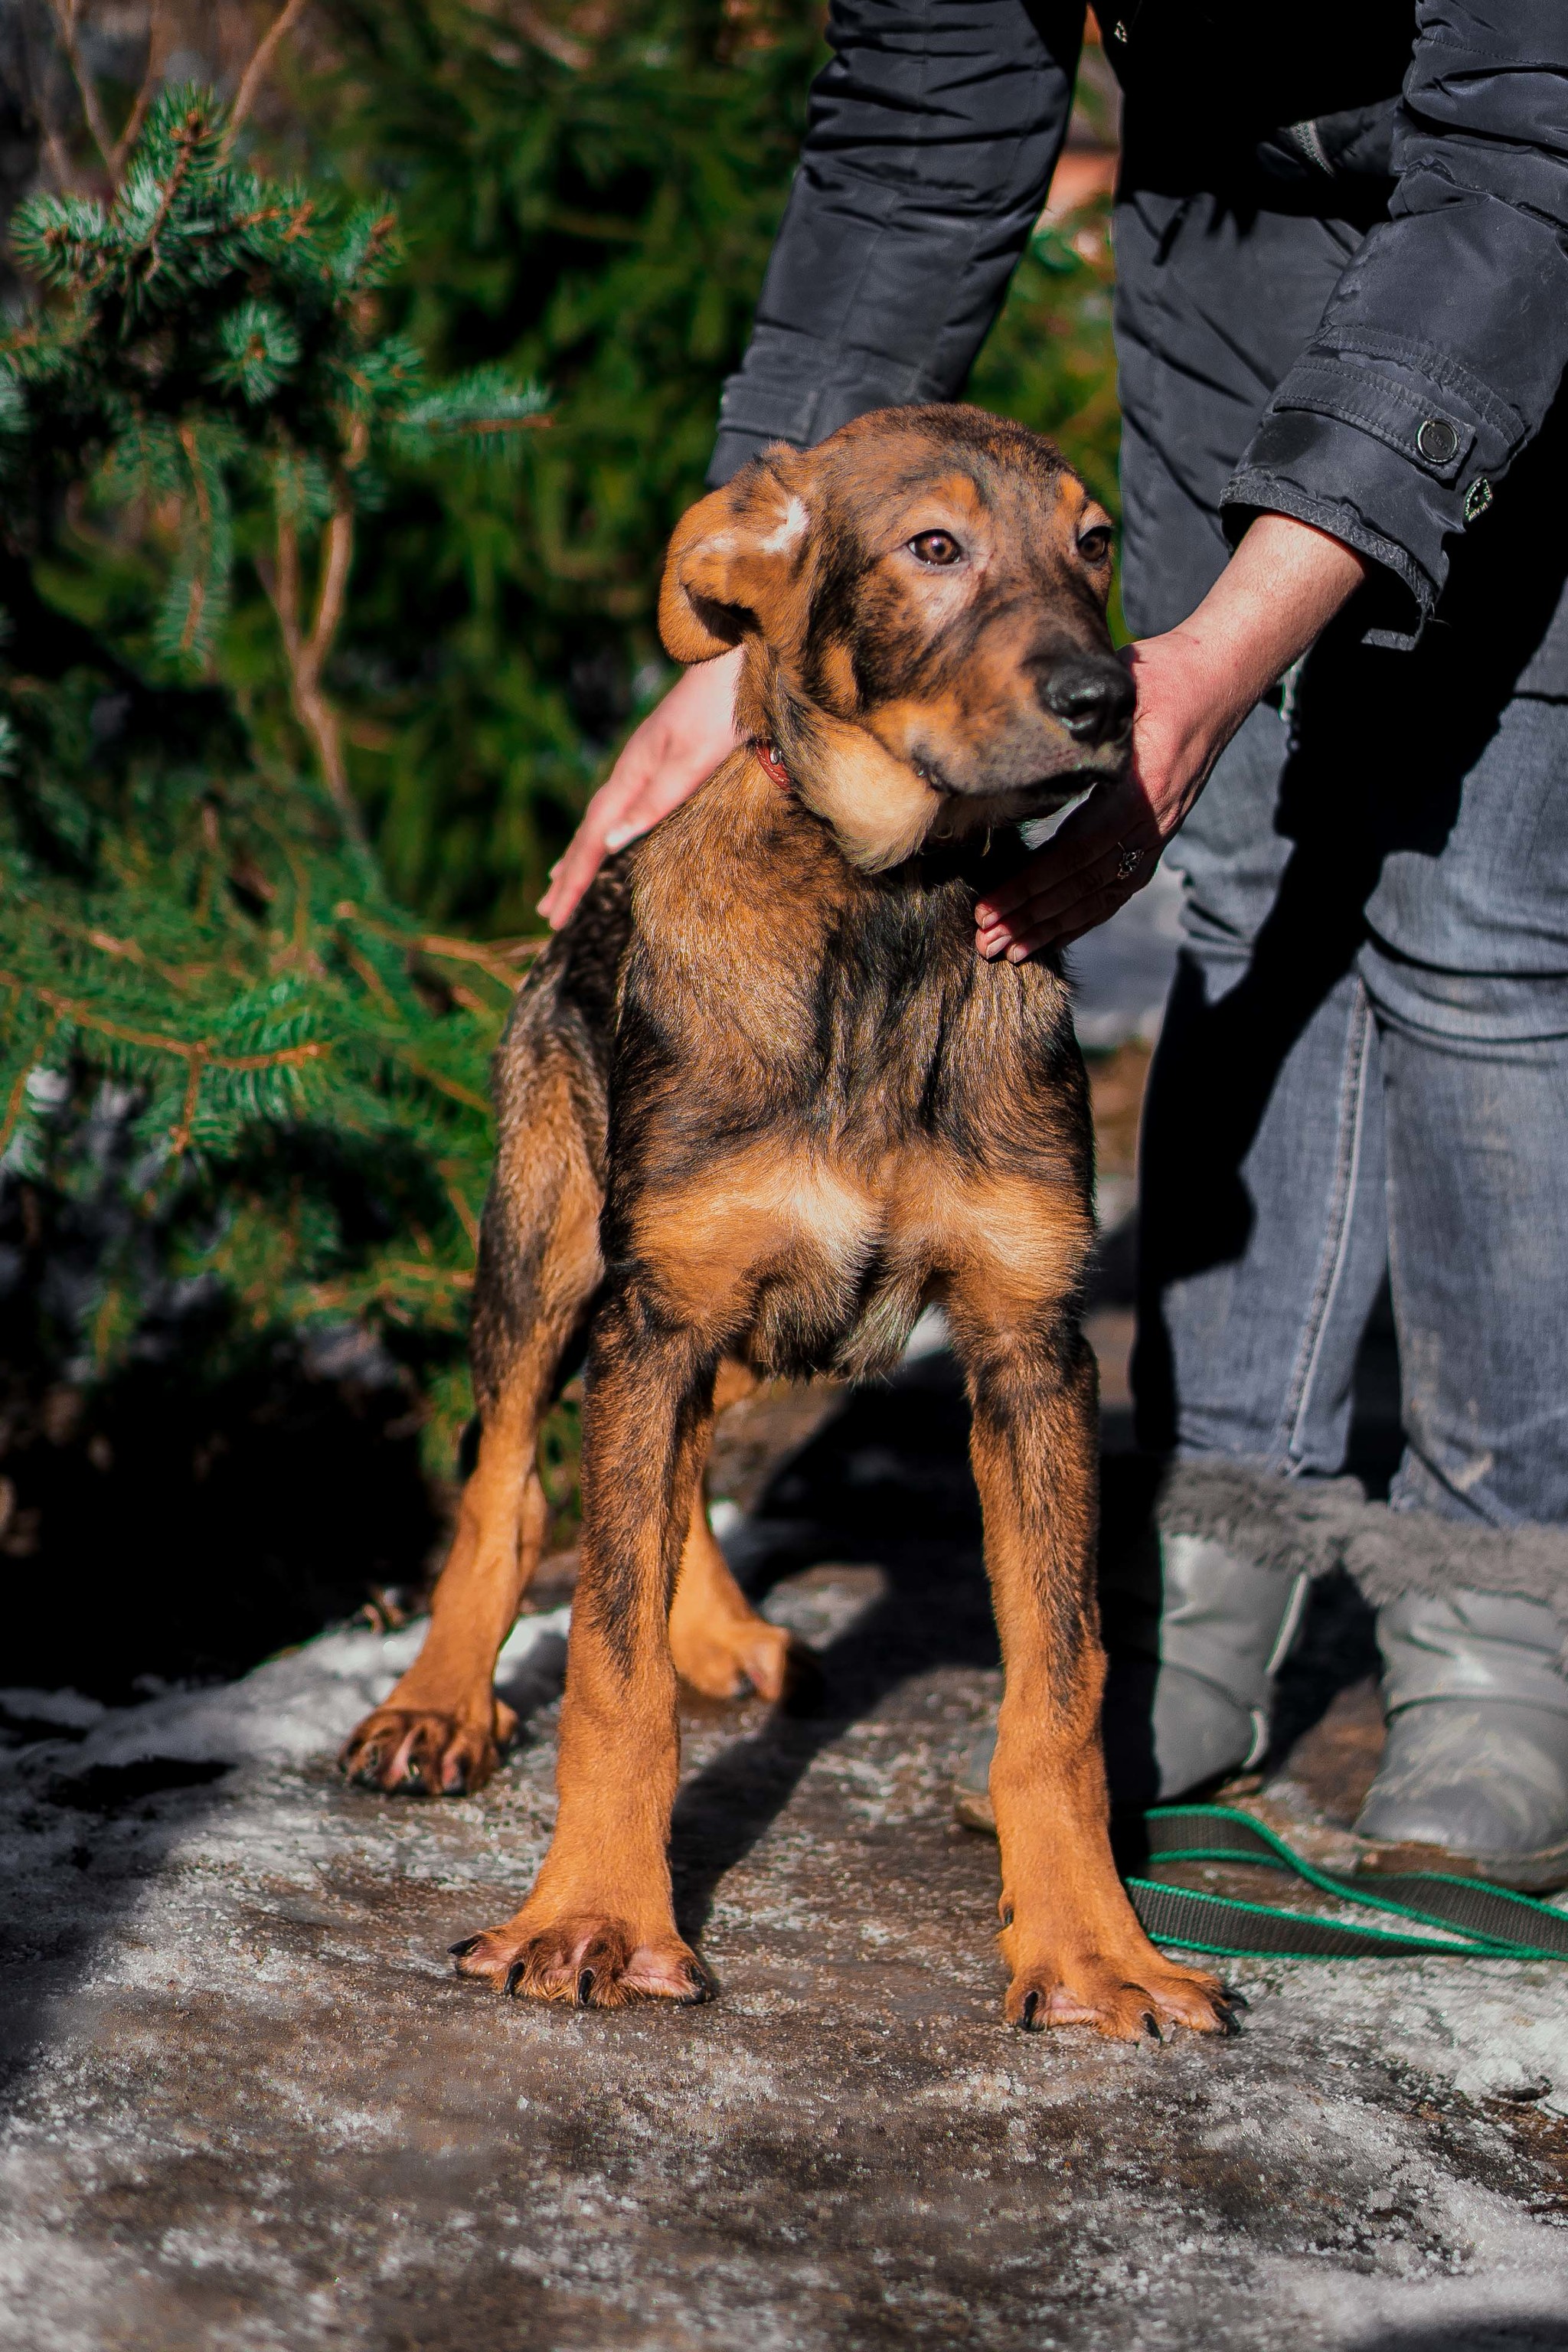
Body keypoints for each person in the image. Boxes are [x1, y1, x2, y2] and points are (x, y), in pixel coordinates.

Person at [537, 1, 1568, 1890]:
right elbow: (927, 112)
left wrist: (1220, 653)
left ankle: (1494, 1615)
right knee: (1249, 878)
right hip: (1230, 209)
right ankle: (1224, 1544)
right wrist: (765, 621)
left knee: (1483, 922)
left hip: (1529, 221)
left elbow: (1530, 147)